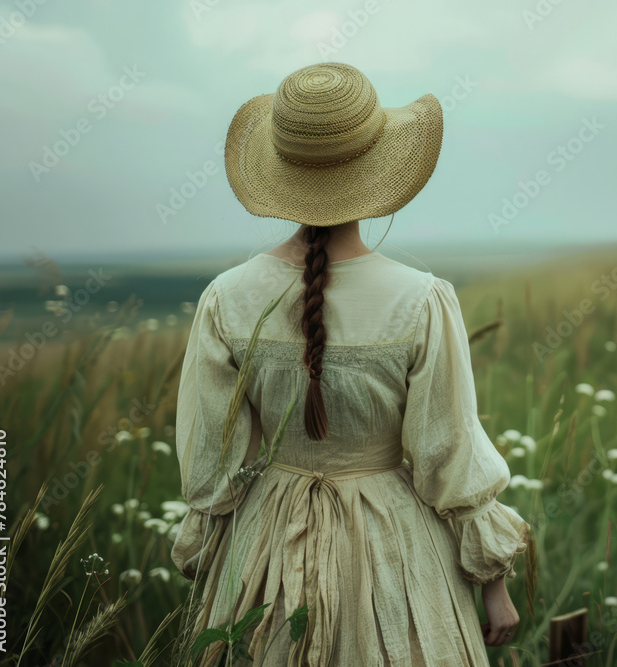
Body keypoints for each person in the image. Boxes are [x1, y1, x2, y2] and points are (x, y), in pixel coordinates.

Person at [170, 62, 530, 666]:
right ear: (377, 171)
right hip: (393, 545)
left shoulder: (226, 297)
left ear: (281, 173)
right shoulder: (421, 298)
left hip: (264, 544)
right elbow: (449, 455)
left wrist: (211, 563)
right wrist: (493, 585)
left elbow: (211, 464)